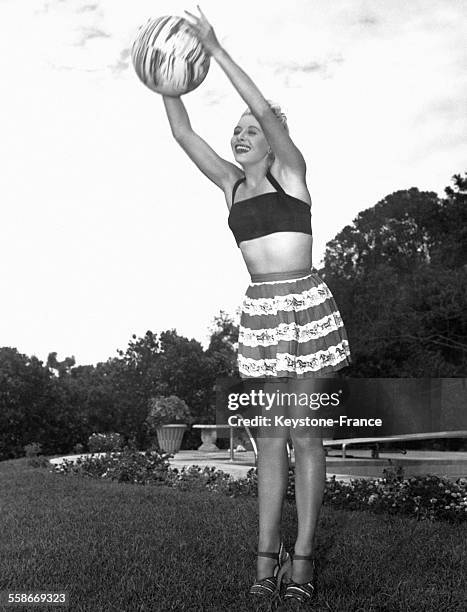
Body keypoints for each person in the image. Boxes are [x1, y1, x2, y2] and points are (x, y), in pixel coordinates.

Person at [162, 6, 352, 604]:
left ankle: (304, 558)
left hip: (307, 306)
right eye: (236, 131)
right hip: (265, 315)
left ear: (269, 143)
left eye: (250, 131)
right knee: (270, 439)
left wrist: (215, 51)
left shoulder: (291, 175)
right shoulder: (230, 184)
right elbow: (181, 133)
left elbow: (268, 112)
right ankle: (265, 556)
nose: (241, 135)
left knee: (307, 439)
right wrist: (165, 84)